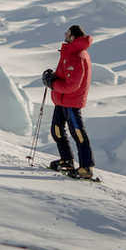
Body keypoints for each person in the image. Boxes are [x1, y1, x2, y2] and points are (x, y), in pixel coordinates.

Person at [42, 24, 95, 179]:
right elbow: (66, 75)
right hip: (63, 100)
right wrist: (52, 77)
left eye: (67, 32)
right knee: (56, 130)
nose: (65, 34)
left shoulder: (77, 55)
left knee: (78, 133)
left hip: (71, 102)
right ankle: (67, 160)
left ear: (72, 36)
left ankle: (86, 167)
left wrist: (52, 83)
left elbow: (73, 85)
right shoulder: (70, 52)